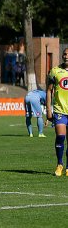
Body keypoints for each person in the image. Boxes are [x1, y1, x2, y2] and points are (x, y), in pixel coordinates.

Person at [46, 47, 68, 177]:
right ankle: (59, 164)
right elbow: (49, 90)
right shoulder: (55, 71)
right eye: (64, 54)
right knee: (60, 137)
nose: (66, 56)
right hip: (60, 110)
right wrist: (48, 110)